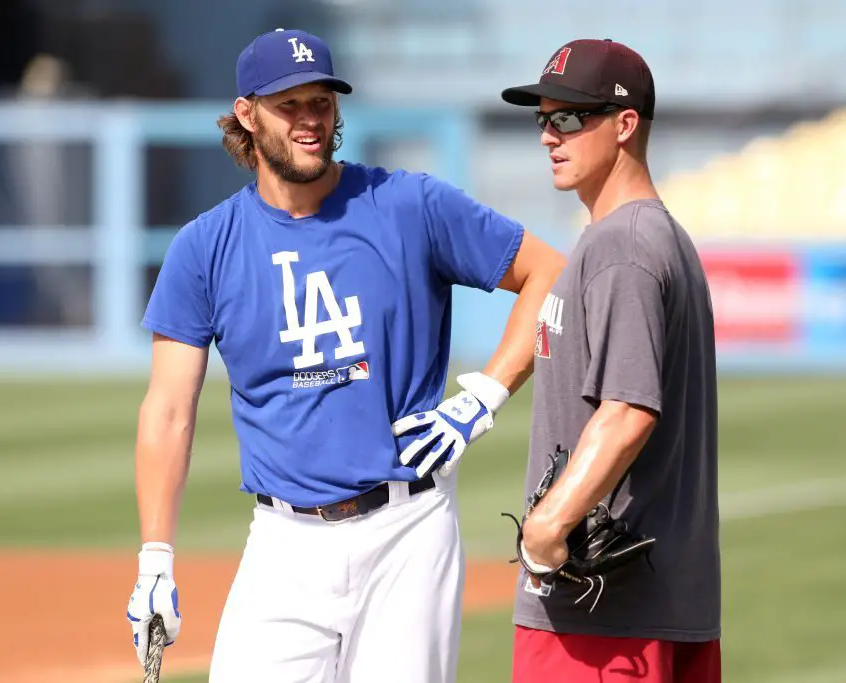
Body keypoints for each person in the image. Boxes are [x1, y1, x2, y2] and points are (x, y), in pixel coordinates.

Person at [125, 28, 565, 683]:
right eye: (289, 105)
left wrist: (484, 397)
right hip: (283, 543)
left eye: (320, 103)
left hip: (408, 531)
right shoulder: (204, 247)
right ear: (247, 113)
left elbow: (550, 273)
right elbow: (167, 410)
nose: (309, 120)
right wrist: (154, 559)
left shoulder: (410, 204)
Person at [499, 38, 722, 682]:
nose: (549, 134)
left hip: (603, 617)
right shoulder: (650, 236)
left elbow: (627, 410)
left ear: (625, 125)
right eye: (543, 118)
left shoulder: (624, 247)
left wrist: (547, 526)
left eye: (569, 117)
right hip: (651, 607)